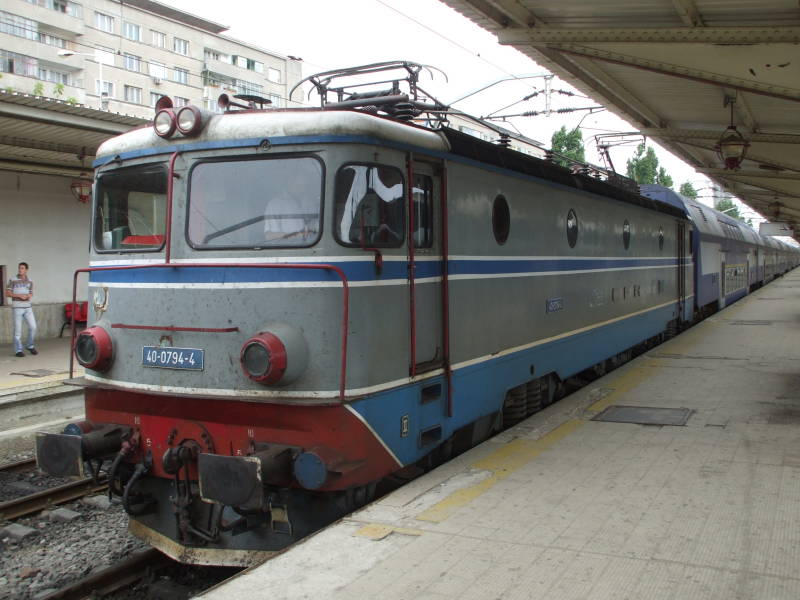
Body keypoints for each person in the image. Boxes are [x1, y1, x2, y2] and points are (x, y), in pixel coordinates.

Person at [6, 262, 37, 357]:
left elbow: (31, 293)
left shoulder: (30, 281)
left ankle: (30, 345)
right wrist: (19, 296)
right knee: (18, 331)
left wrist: (28, 295)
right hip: (17, 308)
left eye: (22, 268)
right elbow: (7, 293)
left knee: (33, 327)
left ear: (26, 270)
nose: (20, 270)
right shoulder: (13, 280)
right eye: (19, 268)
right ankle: (18, 350)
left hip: (28, 308)